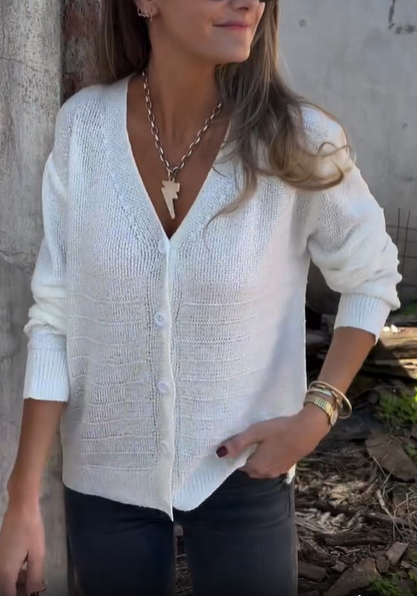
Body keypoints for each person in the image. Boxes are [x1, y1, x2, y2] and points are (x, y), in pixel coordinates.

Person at [0, 1, 401, 595]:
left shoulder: (296, 139)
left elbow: (370, 277)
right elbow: (57, 318)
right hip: (106, 480)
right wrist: (22, 497)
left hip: (247, 472)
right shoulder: (85, 129)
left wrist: (318, 412)